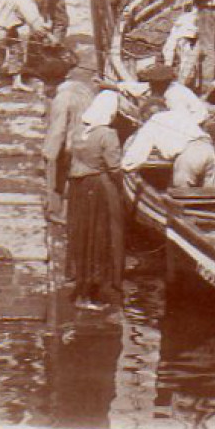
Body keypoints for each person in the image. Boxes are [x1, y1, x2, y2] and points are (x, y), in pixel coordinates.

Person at [67, 92, 125, 311]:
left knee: (82, 235)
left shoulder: (79, 132)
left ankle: (82, 286)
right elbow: (114, 167)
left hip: (78, 187)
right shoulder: (107, 135)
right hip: (99, 187)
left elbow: (70, 156)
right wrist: (121, 186)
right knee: (100, 236)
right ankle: (89, 294)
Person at [40, 57, 97, 222]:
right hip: (89, 138)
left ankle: (59, 212)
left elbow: (58, 130)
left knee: (60, 177)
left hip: (72, 143)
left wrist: (48, 153)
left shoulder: (62, 99)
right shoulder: (83, 88)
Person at [120, 107, 215, 188]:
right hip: (207, 148)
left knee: (183, 196)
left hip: (189, 155)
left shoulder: (153, 123)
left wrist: (126, 167)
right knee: (211, 194)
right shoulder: (181, 114)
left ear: (146, 115)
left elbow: (138, 152)